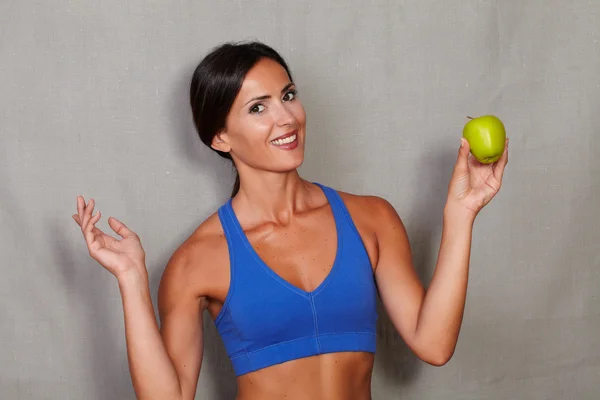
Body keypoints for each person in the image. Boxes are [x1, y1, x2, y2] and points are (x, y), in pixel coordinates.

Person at [72, 41, 509, 400]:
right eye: (258, 108)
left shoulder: (371, 218)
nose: (286, 117)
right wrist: (131, 280)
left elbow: (433, 343)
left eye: (288, 95)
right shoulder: (197, 260)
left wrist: (461, 212)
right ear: (220, 137)